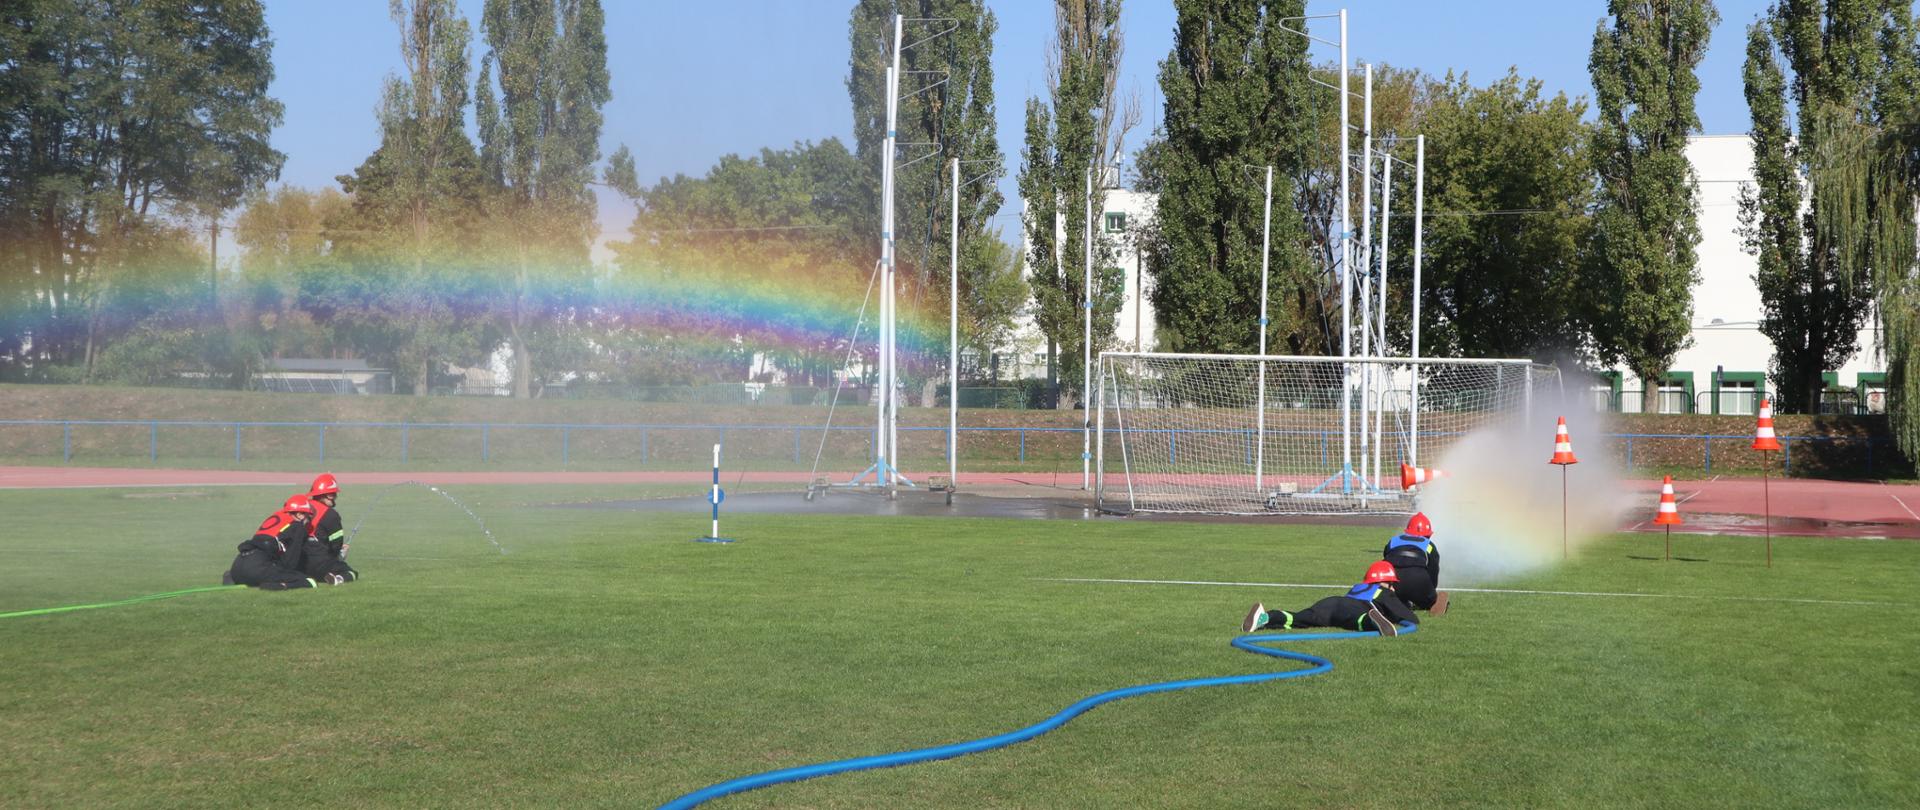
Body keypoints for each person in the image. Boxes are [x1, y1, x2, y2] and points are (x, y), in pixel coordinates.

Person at [1240, 561, 1417, 637]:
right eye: (1392, 584)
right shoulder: (1383, 592)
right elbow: (1409, 618)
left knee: (1298, 618)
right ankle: (1373, 621)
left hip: (1330, 602)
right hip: (1354, 609)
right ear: (1384, 581)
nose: (1393, 588)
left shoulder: (1358, 587)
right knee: (1358, 620)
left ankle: (1265, 617)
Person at [226, 495, 320, 590]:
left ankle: (232, 578)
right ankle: (278, 586)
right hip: (257, 568)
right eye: (308, 517)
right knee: (310, 581)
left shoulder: (276, 518)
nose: (308, 522)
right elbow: (290, 563)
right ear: (300, 515)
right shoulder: (297, 526)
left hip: (237, 567)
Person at [1383, 512, 1447, 615]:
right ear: (1428, 534)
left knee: (1392, 598)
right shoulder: (1429, 546)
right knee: (1427, 601)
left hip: (1392, 580)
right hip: (1418, 578)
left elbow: (1384, 563)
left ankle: (1400, 602)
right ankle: (1432, 603)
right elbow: (1433, 570)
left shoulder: (1393, 541)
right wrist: (1431, 590)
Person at [301, 473, 357, 585]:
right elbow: (336, 546)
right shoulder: (331, 515)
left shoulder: (301, 507)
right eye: (332, 495)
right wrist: (341, 555)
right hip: (317, 563)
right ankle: (337, 580)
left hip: (297, 561)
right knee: (351, 573)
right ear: (322, 495)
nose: (335, 497)